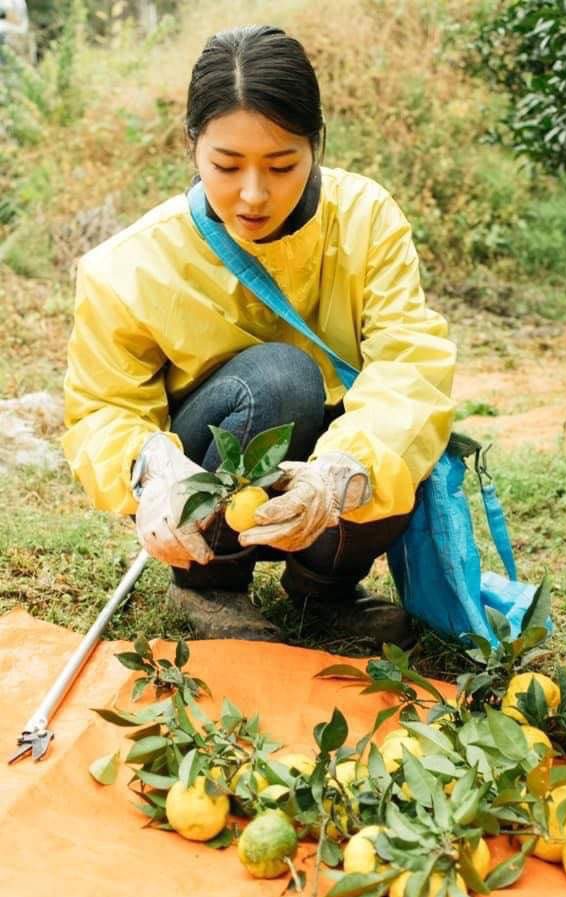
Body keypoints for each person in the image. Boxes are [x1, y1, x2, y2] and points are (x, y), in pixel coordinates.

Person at [62, 25, 456, 646]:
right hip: (209, 469)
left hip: (321, 473)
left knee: (391, 445)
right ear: (192, 146)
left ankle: (324, 589)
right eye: (226, 164)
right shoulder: (130, 265)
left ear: (316, 146)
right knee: (281, 378)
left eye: (281, 165)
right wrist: (147, 467)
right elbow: (101, 410)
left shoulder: (366, 218)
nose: (253, 193)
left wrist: (337, 474)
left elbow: (410, 371)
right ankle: (211, 583)